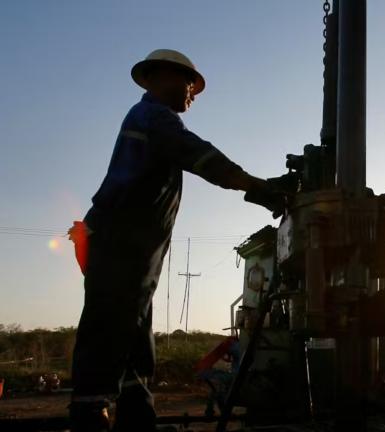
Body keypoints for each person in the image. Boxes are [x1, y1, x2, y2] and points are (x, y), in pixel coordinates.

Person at [67, 49, 282, 432]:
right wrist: (256, 186)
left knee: (134, 328)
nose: (193, 94)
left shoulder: (151, 119)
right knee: (111, 323)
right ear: (157, 79)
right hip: (120, 239)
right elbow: (200, 156)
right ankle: (89, 413)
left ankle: (136, 416)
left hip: (134, 246)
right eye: (188, 83)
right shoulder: (153, 117)